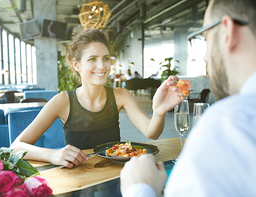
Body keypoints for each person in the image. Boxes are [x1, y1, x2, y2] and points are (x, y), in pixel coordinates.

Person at [120, 0, 256, 196]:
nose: (205, 57)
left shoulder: (228, 123)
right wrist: (158, 110)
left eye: (206, 40)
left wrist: (139, 187)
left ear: (227, 32)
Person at [10, 28, 185, 168]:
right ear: (77, 65)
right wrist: (53, 154)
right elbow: (15, 147)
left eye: (106, 58)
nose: (101, 66)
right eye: (92, 59)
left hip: (115, 176)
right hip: (80, 181)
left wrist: (159, 111)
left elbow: (151, 133)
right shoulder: (62, 101)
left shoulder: (120, 95)